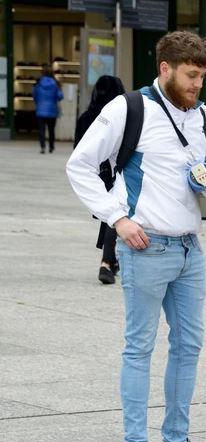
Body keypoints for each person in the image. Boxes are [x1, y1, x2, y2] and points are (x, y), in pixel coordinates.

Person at [67, 31, 206, 442]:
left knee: (188, 346)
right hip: (146, 246)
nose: (197, 84)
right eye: (190, 75)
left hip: (189, 247)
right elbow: (80, 165)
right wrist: (117, 219)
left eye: (202, 76)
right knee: (139, 348)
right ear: (165, 69)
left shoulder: (203, 117)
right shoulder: (129, 108)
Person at [73, 75, 126, 285]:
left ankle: (110, 261)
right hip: (114, 170)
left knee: (111, 214)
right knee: (116, 212)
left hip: (94, 173)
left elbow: (78, 149)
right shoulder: (119, 117)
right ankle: (107, 260)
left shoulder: (86, 117)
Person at [33, 64, 63, 154]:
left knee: (41, 130)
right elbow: (60, 96)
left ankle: (42, 147)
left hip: (40, 109)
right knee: (51, 130)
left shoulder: (38, 83)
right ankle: (51, 147)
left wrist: (39, 103)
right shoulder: (55, 83)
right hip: (52, 110)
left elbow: (35, 96)